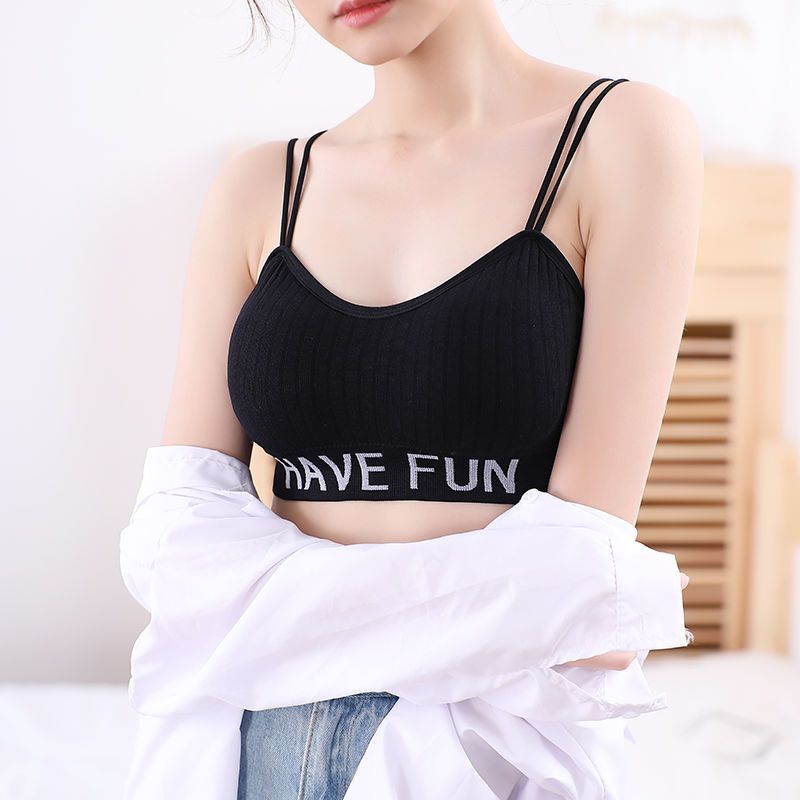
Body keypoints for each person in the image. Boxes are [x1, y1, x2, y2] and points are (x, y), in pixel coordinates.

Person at [159, 0, 703, 796]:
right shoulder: (259, 185)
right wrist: (525, 604)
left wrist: (273, 611)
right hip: (264, 742)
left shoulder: (622, 136)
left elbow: (581, 563)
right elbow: (175, 543)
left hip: (492, 749)